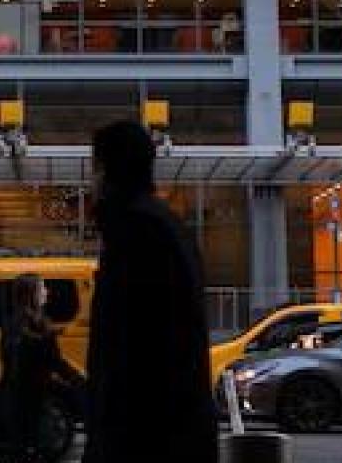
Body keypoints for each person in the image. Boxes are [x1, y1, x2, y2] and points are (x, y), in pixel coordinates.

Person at [82, 120, 217, 463]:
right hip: (172, 432)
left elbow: (128, 352)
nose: (90, 179)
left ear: (107, 170)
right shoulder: (165, 227)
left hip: (144, 436)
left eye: (94, 167)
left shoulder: (135, 230)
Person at [0, 273, 84, 463]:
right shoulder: (40, 327)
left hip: (10, 396)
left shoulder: (10, 325)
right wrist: (80, 381)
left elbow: (6, 360)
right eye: (42, 288)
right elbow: (55, 362)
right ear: (32, 294)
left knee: (18, 449)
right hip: (36, 399)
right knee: (33, 448)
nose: (46, 292)